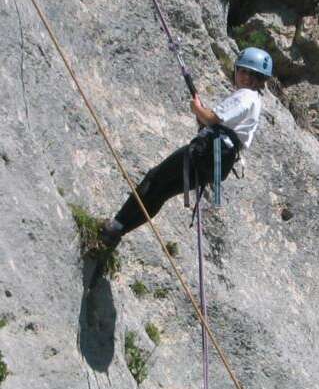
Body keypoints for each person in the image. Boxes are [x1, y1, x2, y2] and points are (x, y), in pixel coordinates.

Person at [100, 47, 273, 247]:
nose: (246, 78)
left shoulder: (245, 95)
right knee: (162, 192)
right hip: (217, 163)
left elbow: (211, 118)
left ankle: (115, 225)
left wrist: (197, 109)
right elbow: (219, 125)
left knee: (154, 178)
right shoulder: (256, 102)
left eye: (253, 75)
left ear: (261, 81)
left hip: (206, 151)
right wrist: (202, 114)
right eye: (244, 71)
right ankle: (117, 233)